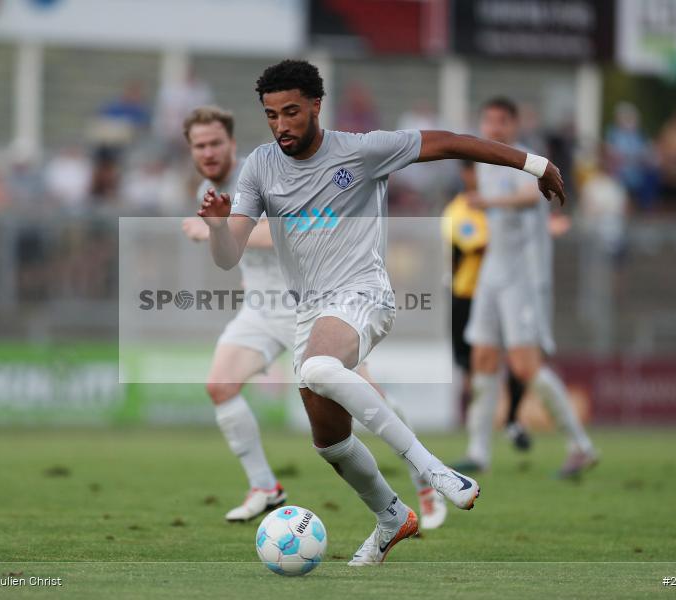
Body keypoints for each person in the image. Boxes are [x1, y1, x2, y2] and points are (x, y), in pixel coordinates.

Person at [197, 60, 567, 565]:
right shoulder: (260, 165)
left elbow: (451, 141)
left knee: (317, 368)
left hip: (363, 294)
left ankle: (432, 468)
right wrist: (220, 227)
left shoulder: (362, 150)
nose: (281, 125)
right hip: (310, 310)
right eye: (270, 115)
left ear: (315, 107)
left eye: (291, 112)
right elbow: (228, 256)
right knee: (330, 443)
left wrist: (534, 164)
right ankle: (392, 517)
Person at [180, 106, 441, 527]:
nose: (208, 153)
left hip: (311, 305)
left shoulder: (265, 171)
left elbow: (296, 229)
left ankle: (424, 481)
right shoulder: (206, 193)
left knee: (369, 403)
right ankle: (264, 486)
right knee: (219, 386)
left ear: (232, 143)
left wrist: (224, 228)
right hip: (260, 310)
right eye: (199, 146)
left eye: (215, 143)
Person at [461, 97, 596, 479]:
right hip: (493, 271)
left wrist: (487, 200)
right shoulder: (485, 161)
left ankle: (580, 446)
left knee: (524, 365)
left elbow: (528, 198)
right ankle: (478, 452)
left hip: (524, 275)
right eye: (488, 121)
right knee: (483, 358)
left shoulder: (528, 160)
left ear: (514, 125)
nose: (494, 129)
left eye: (501, 122)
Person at [443, 161, 530, 461]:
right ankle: (478, 438)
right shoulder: (458, 210)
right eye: (474, 172)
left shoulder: (498, 205)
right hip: (467, 296)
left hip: (507, 292)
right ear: (465, 175)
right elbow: (478, 245)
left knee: (519, 360)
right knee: (472, 367)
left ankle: (512, 419)